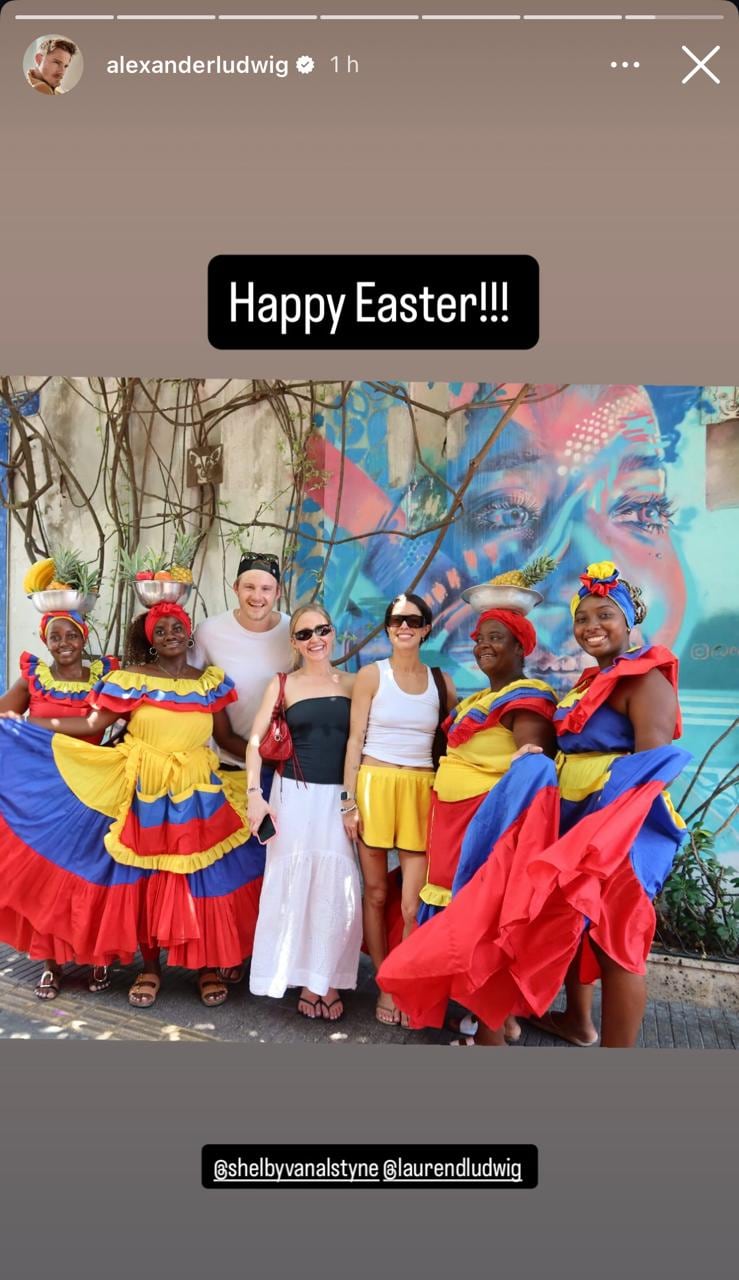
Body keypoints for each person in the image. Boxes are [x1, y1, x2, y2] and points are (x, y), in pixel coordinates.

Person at [377, 561, 690, 1049]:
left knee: (617, 944)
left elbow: (649, 772)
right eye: (582, 618)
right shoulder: (593, 681)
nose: (592, 626)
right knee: (573, 926)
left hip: (621, 830)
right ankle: (577, 1022)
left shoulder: (646, 679)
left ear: (629, 622)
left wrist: (598, 835)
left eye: (605, 615)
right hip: (578, 820)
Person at [0, 601, 264, 1009]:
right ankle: (150, 968)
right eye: (160, 630)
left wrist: (268, 763)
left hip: (198, 789)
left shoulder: (208, 682)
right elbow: (92, 724)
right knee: (146, 878)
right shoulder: (132, 679)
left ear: (189, 634)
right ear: (150, 640)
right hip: (145, 787)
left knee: (202, 876)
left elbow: (226, 739)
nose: (170, 634)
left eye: (177, 627)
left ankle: (207, 967)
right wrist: (30, 723)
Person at [342, 592, 456, 1026]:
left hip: (421, 790)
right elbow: (354, 740)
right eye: (395, 620)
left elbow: (456, 741)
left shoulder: (442, 682)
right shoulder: (371, 675)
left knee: (413, 904)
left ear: (426, 628)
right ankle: (385, 984)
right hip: (374, 785)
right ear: (388, 628)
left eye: (412, 620)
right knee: (375, 893)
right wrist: (348, 802)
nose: (403, 627)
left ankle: (404, 981)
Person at [246, 605, 361, 1022]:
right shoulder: (283, 684)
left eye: (322, 630)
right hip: (293, 796)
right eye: (304, 633)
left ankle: (325, 979)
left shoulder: (354, 683)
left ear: (333, 632)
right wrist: (255, 795)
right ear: (294, 643)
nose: (315, 639)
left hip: (339, 800)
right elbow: (255, 741)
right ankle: (295, 975)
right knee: (293, 886)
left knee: (337, 886)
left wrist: (355, 800)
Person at [0, 609, 118, 1000]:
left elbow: (99, 723)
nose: (64, 643)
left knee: (92, 874)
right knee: (48, 879)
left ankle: (98, 956)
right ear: (45, 641)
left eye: (71, 635)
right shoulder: (34, 678)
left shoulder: (105, 677)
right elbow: (4, 714)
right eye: (55, 637)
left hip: (93, 793)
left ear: (84, 638)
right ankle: (51, 963)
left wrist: (33, 724)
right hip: (44, 795)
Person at [192, 550, 293, 984]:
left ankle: (271, 955)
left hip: (285, 770)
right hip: (229, 763)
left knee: (274, 864)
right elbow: (191, 689)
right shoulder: (210, 632)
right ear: (235, 588)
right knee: (231, 867)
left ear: (278, 592)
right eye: (249, 586)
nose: (257, 596)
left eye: (266, 588)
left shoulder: (293, 631)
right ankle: (230, 951)